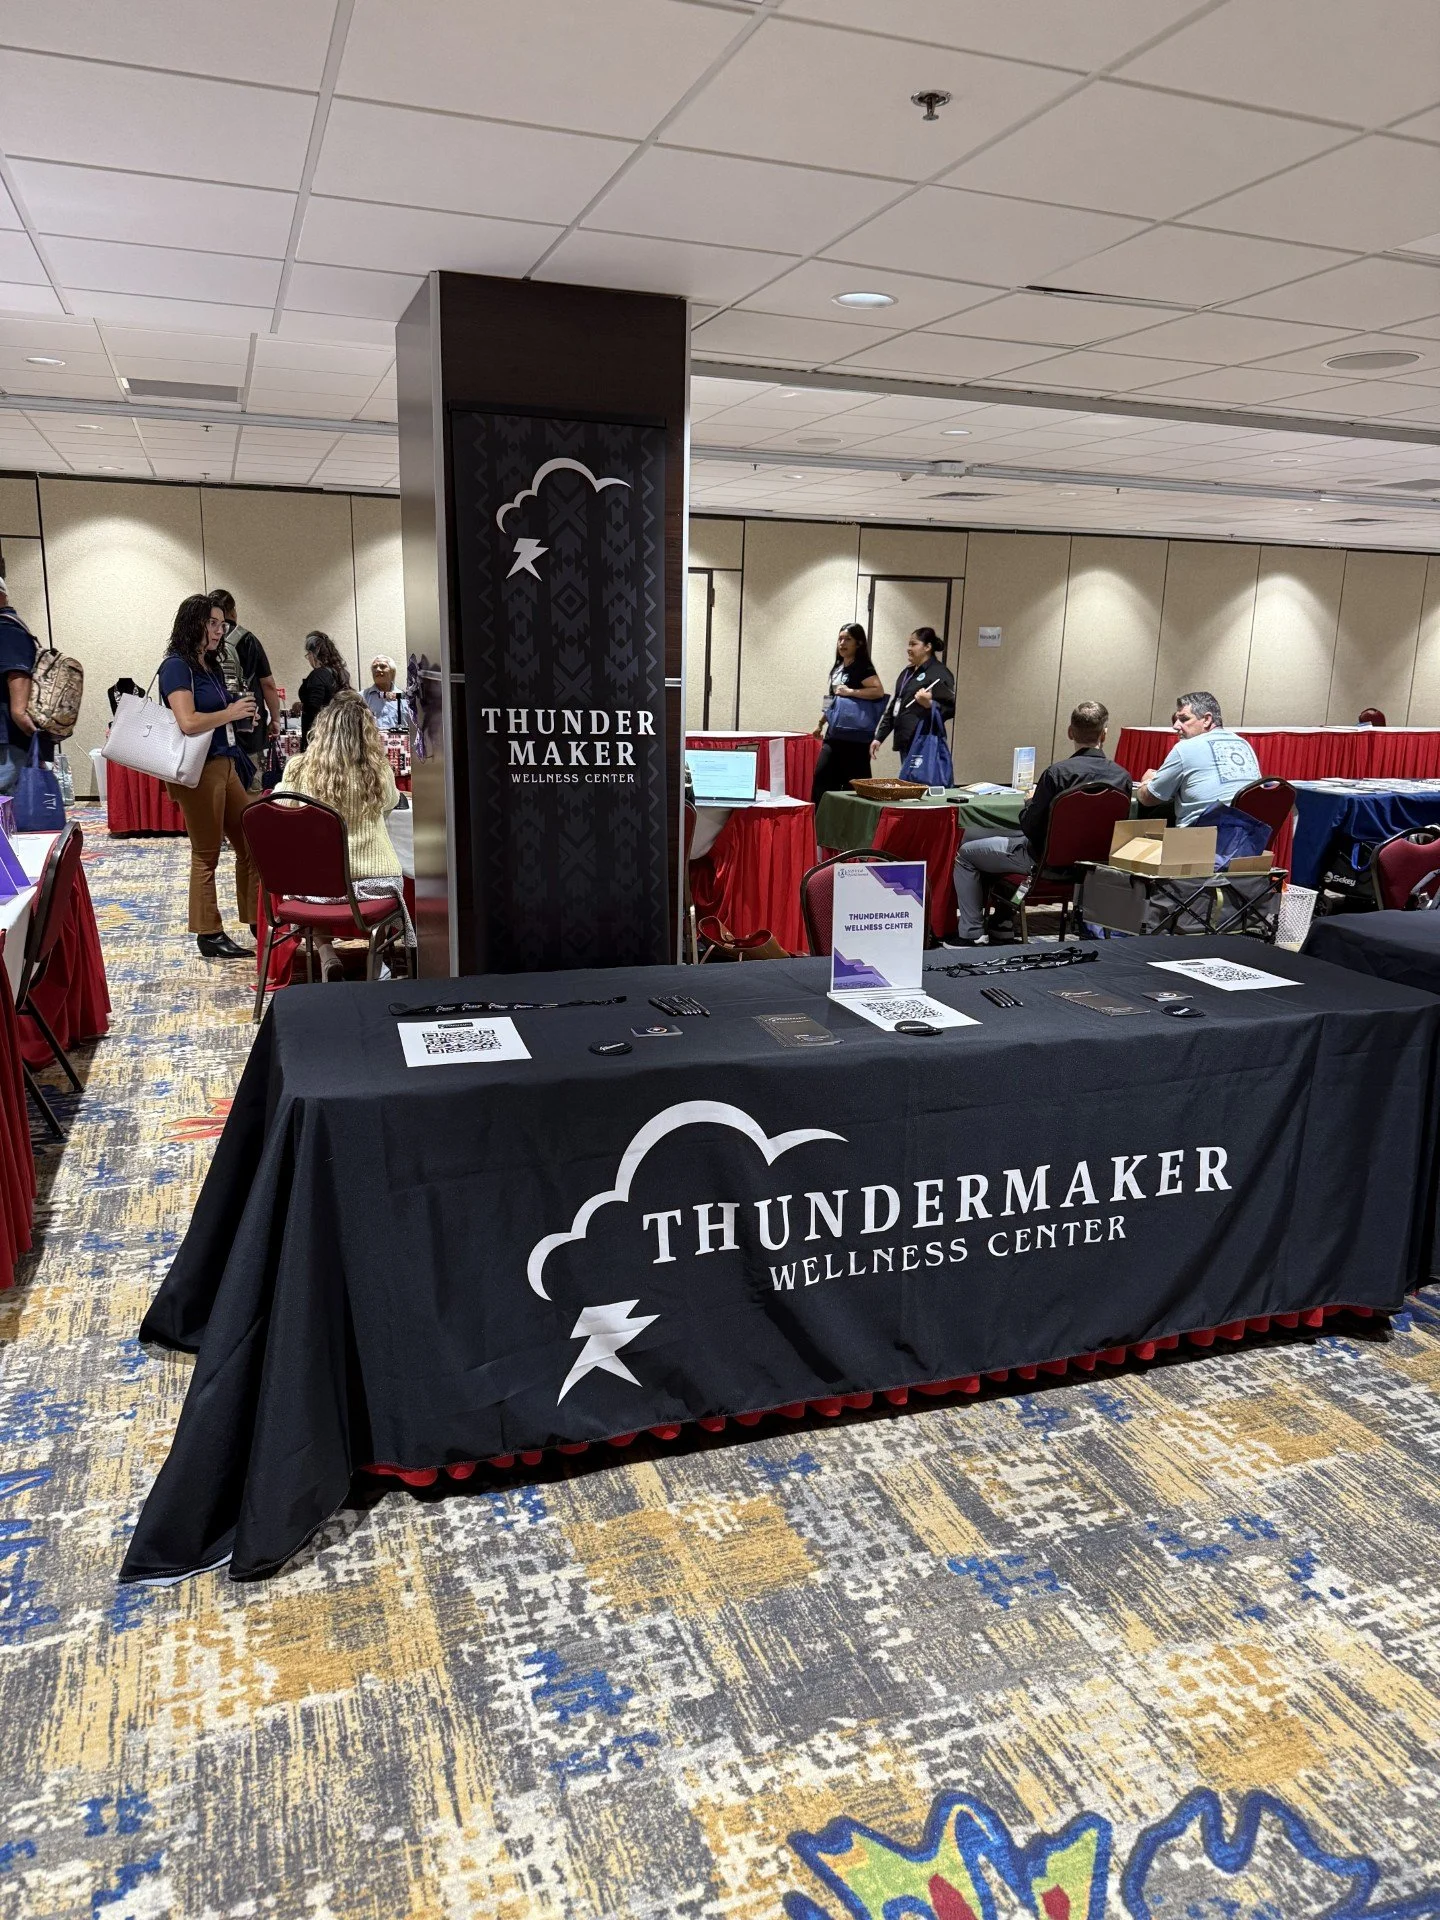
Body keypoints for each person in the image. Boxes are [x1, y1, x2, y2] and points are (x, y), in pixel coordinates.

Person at [948, 699, 1131, 945]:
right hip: (1090, 870)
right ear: (1105, 735)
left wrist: (1030, 802)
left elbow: (1030, 827)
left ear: (1069, 732)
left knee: (967, 854)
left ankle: (970, 935)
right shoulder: (1122, 777)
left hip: (1040, 863)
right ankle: (1002, 921)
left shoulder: (1057, 774)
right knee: (991, 844)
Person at [275, 689, 412, 981]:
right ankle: (379, 955)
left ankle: (327, 955)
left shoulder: (299, 768)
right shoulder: (378, 771)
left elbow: (281, 809)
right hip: (375, 883)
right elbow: (390, 803)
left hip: (317, 888)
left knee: (316, 884)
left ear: (322, 729)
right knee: (388, 889)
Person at [157, 594, 259, 959]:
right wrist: (230, 713)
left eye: (222, 624)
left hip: (225, 761)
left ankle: (254, 919)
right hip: (198, 769)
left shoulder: (208, 665)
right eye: (212, 624)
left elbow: (218, 715)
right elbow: (188, 722)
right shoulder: (176, 667)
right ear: (194, 624)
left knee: (251, 842)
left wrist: (241, 715)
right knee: (207, 852)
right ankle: (209, 932)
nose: (219, 631)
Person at [1135, 691, 1261, 824]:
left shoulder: (1185, 748)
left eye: (1184, 719)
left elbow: (1150, 799)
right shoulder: (1243, 744)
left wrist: (1145, 784)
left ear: (1207, 719)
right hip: (1247, 837)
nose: (1175, 726)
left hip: (1202, 838)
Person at [210, 589, 280, 787]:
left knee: (220, 790)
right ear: (232, 611)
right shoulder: (248, 639)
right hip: (248, 725)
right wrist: (274, 719)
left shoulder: (207, 640)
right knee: (250, 786)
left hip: (216, 730)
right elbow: (268, 684)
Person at [811, 624, 885, 804]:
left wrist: (851, 692)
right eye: (840, 639)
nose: (842, 643)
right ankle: (821, 826)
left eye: (847, 639)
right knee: (821, 780)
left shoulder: (863, 667)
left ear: (858, 643)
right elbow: (831, 698)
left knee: (856, 788)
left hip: (856, 740)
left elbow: (878, 691)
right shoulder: (837, 668)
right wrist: (821, 723)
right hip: (834, 735)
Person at [0, 575, 55, 795]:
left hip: (9, 745)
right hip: (10, 742)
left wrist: (38, 741)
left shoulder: (7, 630)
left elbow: (19, 710)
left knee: (7, 808)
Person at [871, 626, 955, 769]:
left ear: (927, 647)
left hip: (924, 740)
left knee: (920, 786)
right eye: (909, 644)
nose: (909, 648)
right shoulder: (907, 672)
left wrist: (929, 703)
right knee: (909, 785)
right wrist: (879, 737)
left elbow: (951, 709)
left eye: (913, 644)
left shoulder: (939, 672)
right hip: (905, 739)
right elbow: (895, 706)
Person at [297, 631, 351, 746]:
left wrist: (301, 706)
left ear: (314, 654)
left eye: (308, 655)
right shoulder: (340, 673)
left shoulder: (317, 675)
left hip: (318, 737)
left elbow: (313, 707)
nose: (308, 659)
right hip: (338, 733)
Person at [362, 654, 407, 732]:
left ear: (392, 672)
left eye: (382, 666)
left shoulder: (405, 698)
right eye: (374, 667)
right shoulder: (361, 697)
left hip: (400, 743)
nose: (378, 670)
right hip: (372, 743)